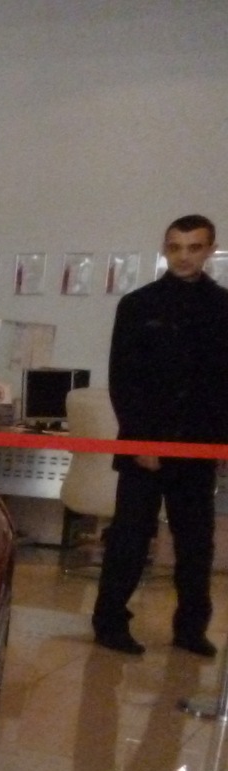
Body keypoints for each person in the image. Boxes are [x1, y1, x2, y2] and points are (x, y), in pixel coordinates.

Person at [91, 214, 228, 657]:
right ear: (165, 249)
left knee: (195, 544)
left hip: (198, 445)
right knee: (130, 538)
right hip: (143, 445)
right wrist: (141, 440)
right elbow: (123, 379)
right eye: (175, 247)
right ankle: (110, 621)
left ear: (210, 250)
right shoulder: (138, 305)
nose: (183, 256)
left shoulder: (222, 307)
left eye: (194, 247)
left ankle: (191, 628)